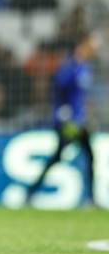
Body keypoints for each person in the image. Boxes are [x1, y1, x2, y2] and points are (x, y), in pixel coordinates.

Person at [26, 32, 100, 206]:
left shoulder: (85, 67)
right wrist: (64, 114)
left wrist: (86, 111)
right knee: (61, 157)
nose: (94, 49)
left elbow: (81, 95)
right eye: (91, 44)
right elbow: (59, 90)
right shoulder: (69, 65)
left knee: (87, 156)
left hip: (80, 121)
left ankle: (90, 198)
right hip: (67, 121)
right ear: (82, 44)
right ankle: (31, 192)